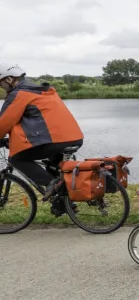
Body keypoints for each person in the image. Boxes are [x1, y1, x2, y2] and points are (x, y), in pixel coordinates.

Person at [0, 63, 84, 210]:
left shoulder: (19, 94)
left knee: (16, 158)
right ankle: (63, 202)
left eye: (0, 83)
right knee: (53, 167)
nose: (1, 87)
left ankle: (52, 184)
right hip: (74, 137)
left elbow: (4, 122)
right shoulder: (44, 91)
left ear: (8, 79)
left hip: (54, 140)